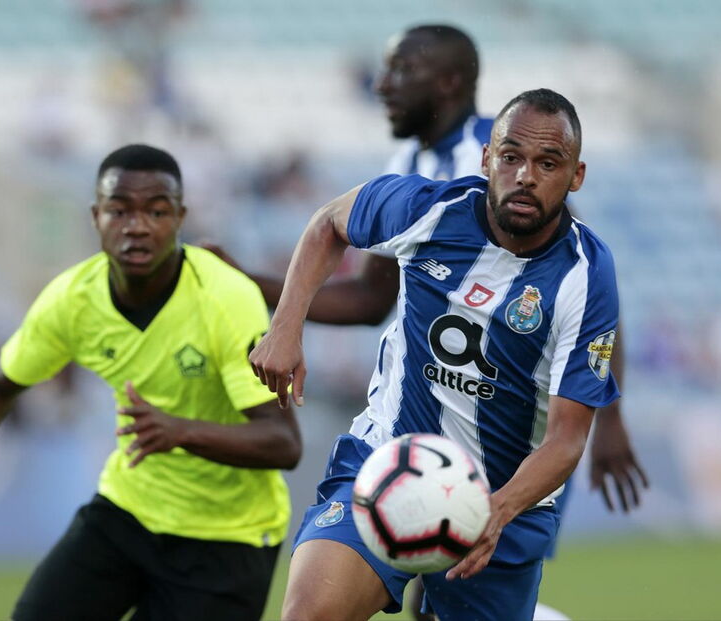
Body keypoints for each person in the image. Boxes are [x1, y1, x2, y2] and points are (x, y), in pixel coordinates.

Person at [0, 144, 302, 621]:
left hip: (229, 538)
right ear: (95, 216)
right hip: (129, 512)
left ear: (180, 217)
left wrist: (178, 431)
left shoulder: (226, 298)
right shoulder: (72, 300)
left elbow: (283, 442)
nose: (137, 225)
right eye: (119, 209)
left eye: (156, 210)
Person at [250, 89, 619, 620]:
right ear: (488, 159)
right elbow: (328, 222)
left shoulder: (586, 275)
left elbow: (565, 439)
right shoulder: (430, 210)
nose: (526, 176)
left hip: (504, 504)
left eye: (548, 163)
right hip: (387, 464)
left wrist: (495, 512)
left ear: (576, 176)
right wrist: (286, 327)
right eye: (511, 157)